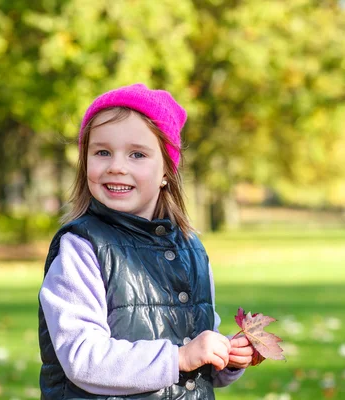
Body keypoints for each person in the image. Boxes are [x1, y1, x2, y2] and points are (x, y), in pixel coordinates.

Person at [38, 83, 253, 399]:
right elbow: (82, 357)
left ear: (167, 170)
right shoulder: (82, 248)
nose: (116, 166)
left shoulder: (191, 250)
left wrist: (224, 356)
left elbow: (195, 352)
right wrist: (179, 357)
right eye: (102, 152)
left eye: (137, 154)